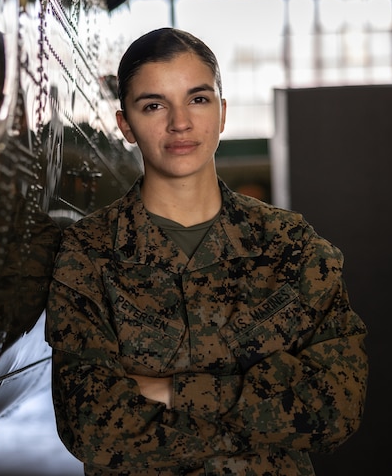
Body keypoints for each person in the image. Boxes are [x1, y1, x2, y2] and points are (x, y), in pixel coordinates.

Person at [45, 27, 368, 475]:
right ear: (126, 126)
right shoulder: (90, 255)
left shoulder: (290, 246)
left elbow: (335, 409)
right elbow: (92, 427)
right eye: (154, 105)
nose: (180, 123)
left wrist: (173, 391)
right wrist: (264, 418)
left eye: (198, 99)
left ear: (222, 113)